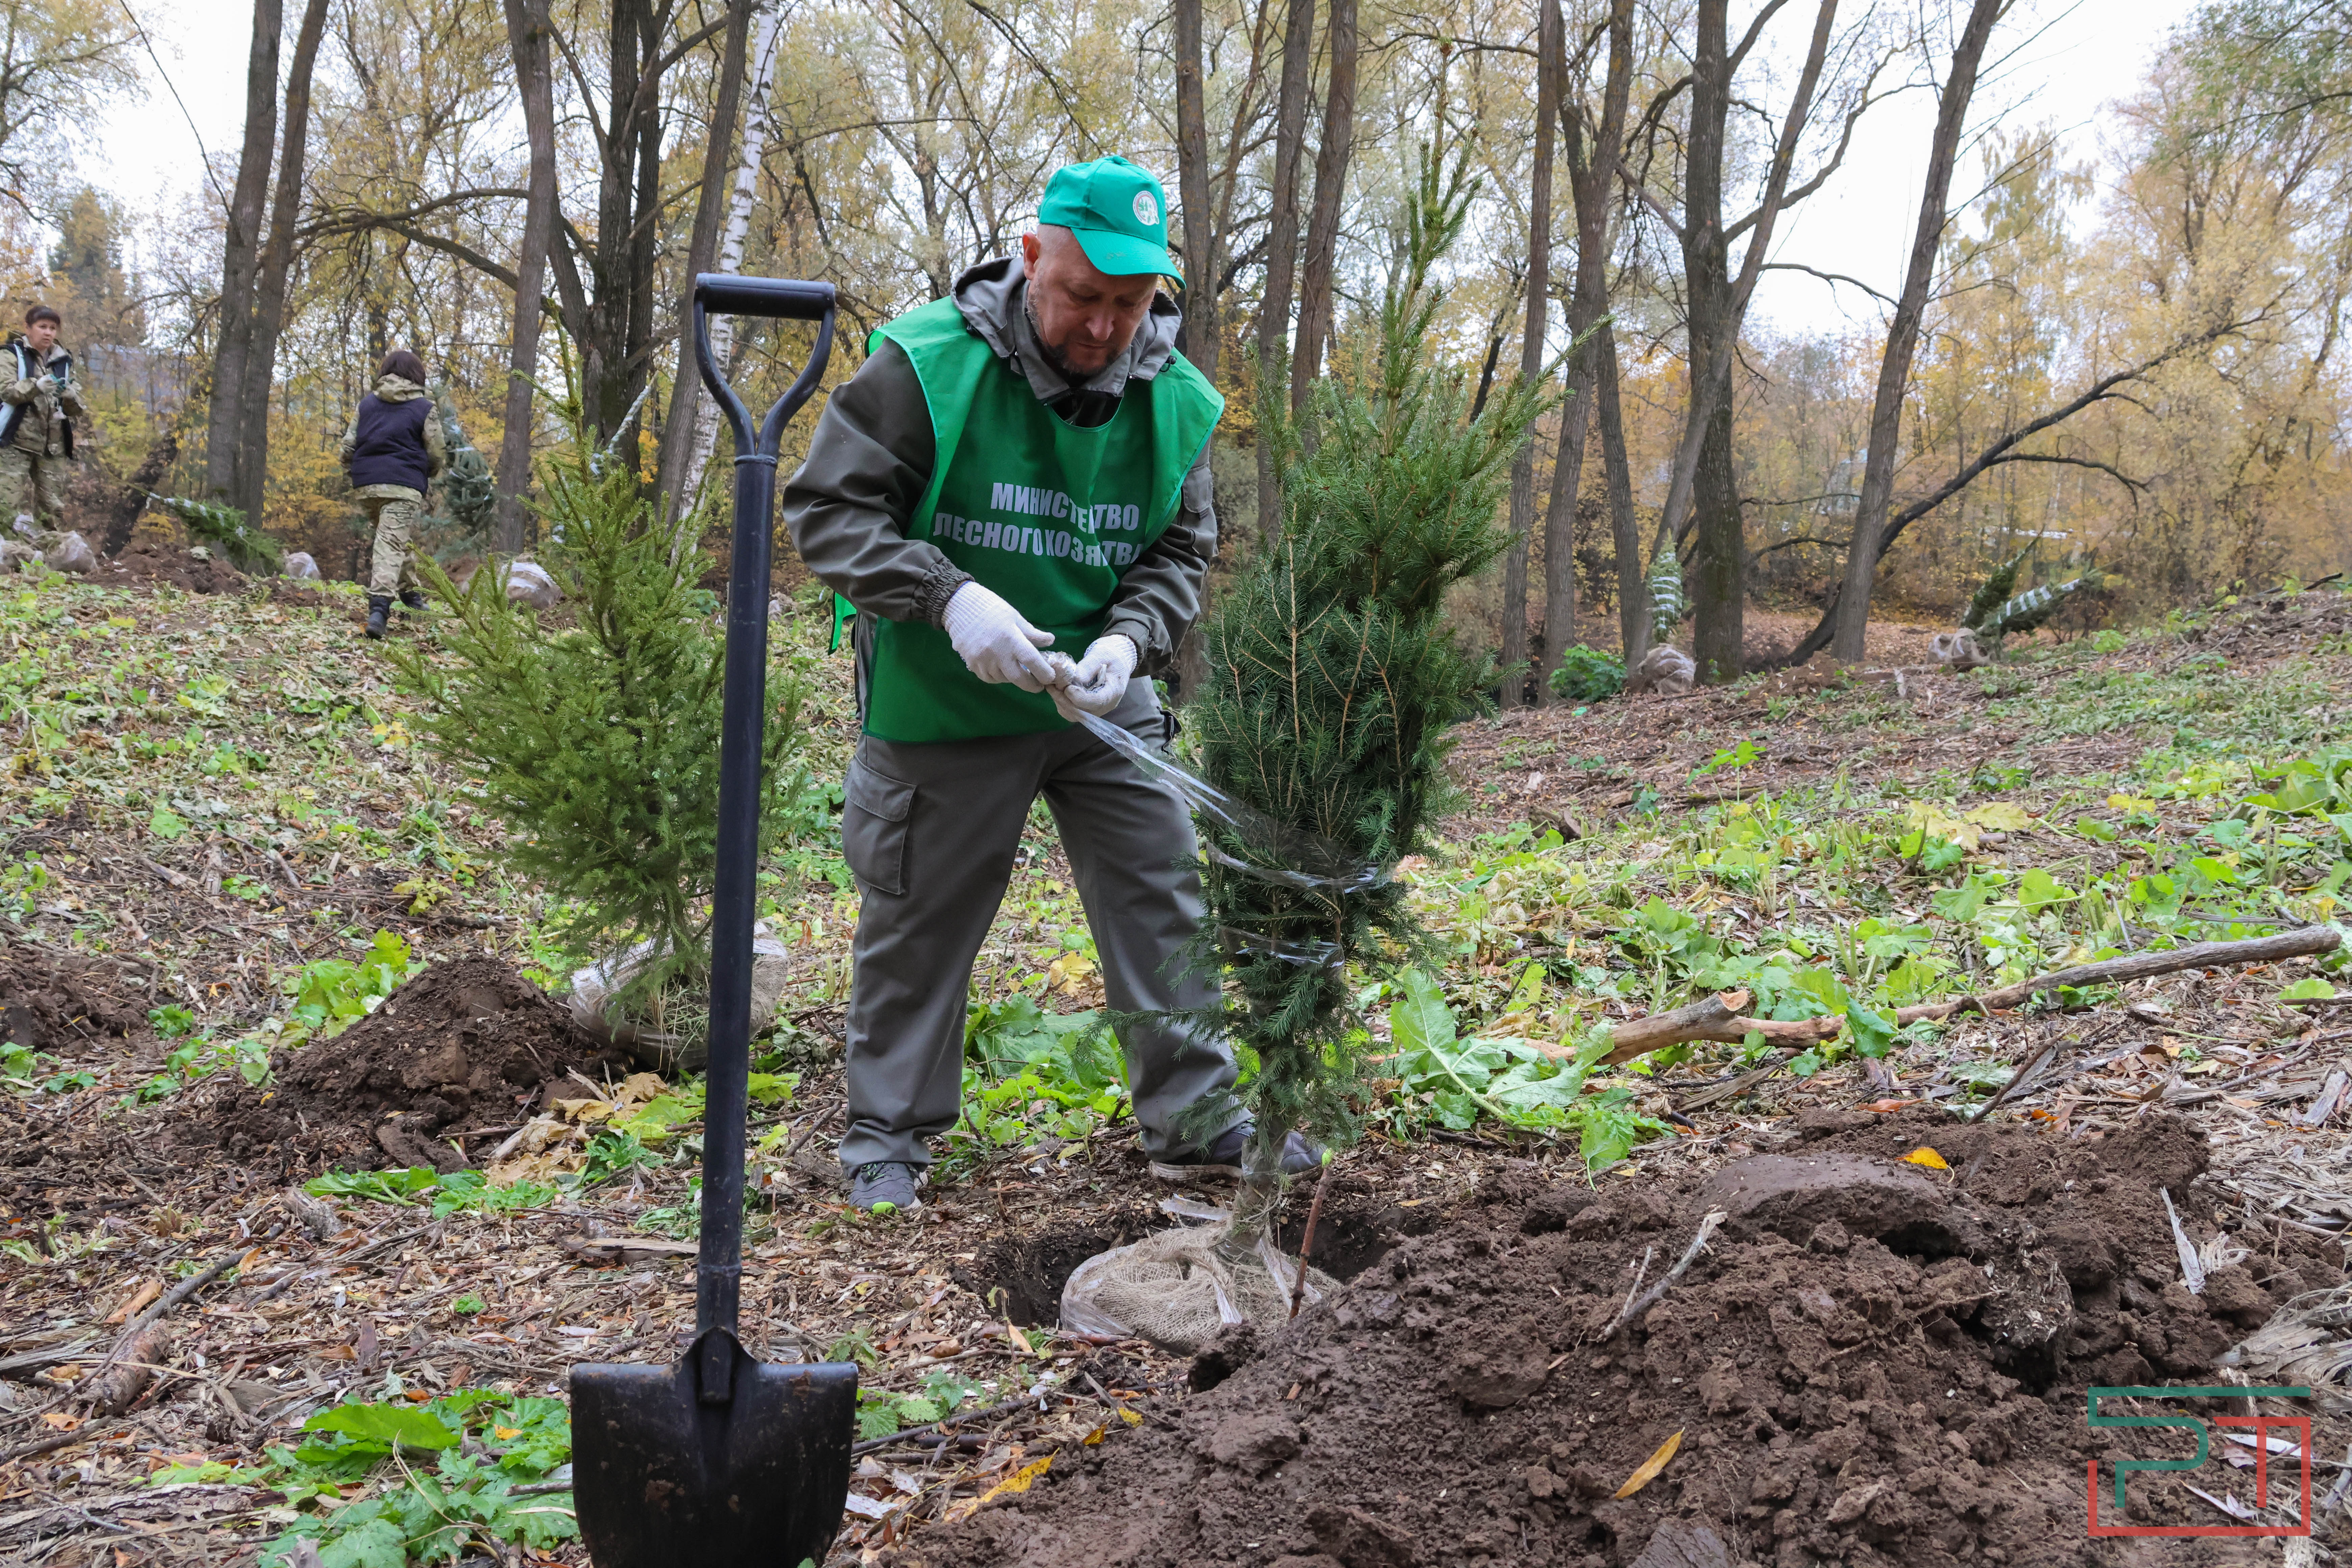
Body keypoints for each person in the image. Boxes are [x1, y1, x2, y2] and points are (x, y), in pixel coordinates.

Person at [784, 155, 1319, 1213]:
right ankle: (887, 1136)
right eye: (1083, 296)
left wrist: (1131, 640)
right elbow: (828, 513)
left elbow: (1176, 550)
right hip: (946, 692)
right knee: (919, 916)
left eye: (1132, 304)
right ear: (1032, 257)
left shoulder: (1177, 399)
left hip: (1096, 696)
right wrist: (949, 598)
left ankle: (1196, 1119)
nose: (1105, 329)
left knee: (1162, 891)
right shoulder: (923, 364)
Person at [339, 348, 445, 638]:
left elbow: (348, 447)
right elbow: (436, 453)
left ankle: (412, 599)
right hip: (403, 484)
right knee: (391, 543)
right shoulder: (425, 408)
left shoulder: (367, 406)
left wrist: (355, 471)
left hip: (367, 484)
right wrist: (428, 473)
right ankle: (379, 610)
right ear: (417, 376)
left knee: (393, 540)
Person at [0, 305, 86, 542]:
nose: (48, 333)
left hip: (53, 446)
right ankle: (7, 560)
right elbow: (7, 392)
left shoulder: (63, 361)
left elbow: (77, 408)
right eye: (42, 327)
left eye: (52, 328)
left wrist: (71, 396)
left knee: (52, 510)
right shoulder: (11, 354)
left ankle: (50, 561)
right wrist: (35, 386)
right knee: (5, 506)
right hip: (16, 442)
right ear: (28, 328)